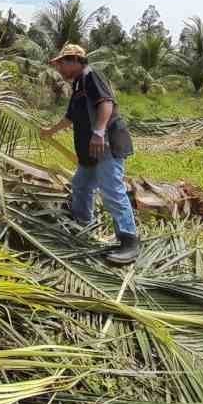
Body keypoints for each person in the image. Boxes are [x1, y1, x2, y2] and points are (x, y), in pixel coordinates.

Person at [40, 43, 139, 262]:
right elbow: (70, 118)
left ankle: (129, 241)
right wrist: (50, 131)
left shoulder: (90, 76)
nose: (59, 70)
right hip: (90, 151)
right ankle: (83, 225)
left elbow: (106, 104)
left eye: (62, 64)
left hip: (105, 145)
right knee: (81, 185)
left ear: (75, 61)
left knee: (112, 191)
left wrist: (99, 132)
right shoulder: (77, 86)